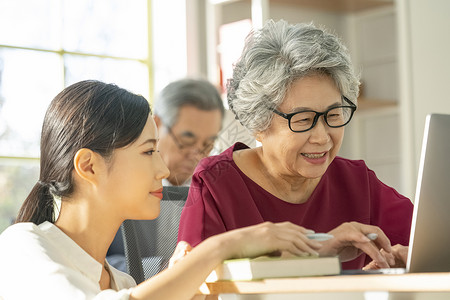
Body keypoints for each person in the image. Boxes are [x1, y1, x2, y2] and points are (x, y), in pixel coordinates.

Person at [0, 80, 327, 300]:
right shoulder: (22, 247)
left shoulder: (122, 283)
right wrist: (217, 249)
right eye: (148, 152)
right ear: (89, 166)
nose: (164, 169)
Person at [178, 20, 414, 270]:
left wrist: (405, 260)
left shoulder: (356, 182)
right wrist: (316, 254)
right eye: (303, 120)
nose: (323, 137)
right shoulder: (216, 184)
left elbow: (432, 237)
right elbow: (195, 281)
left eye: (334, 115)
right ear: (259, 124)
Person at [153, 78, 225, 186]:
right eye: (187, 140)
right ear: (156, 126)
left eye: (208, 144)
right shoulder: (126, 186)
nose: (197, 157)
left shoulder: (214, 190)